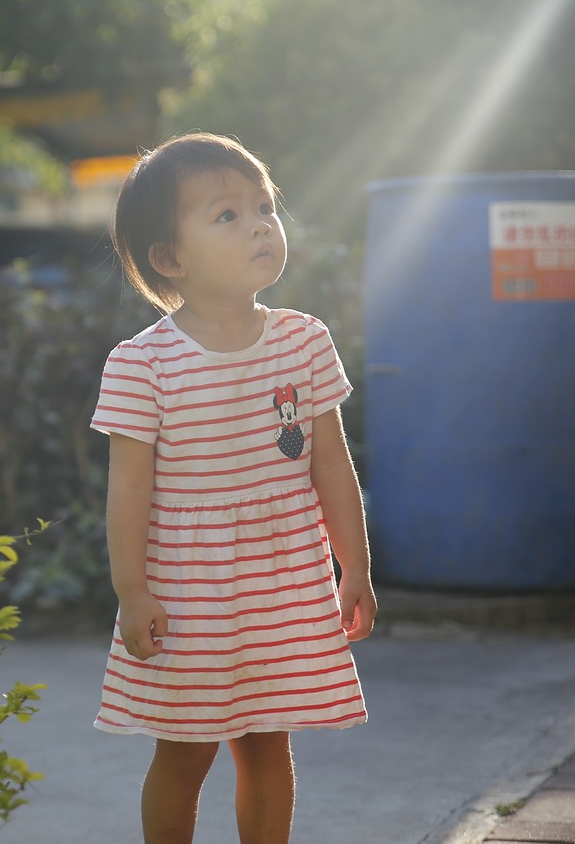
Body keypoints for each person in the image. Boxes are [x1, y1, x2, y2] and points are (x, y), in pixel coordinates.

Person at [90, 132, 378, 844]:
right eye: (227, 214)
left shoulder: (304, 341)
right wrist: (133, 589)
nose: (258, 224)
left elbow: (331, 465)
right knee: (184, 751)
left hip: (282, 579)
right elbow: (126, 491)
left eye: (263, 206)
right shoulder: (142, 365)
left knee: (267, 744)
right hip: (190, 587)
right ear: (170, 258)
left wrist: (356, 566)